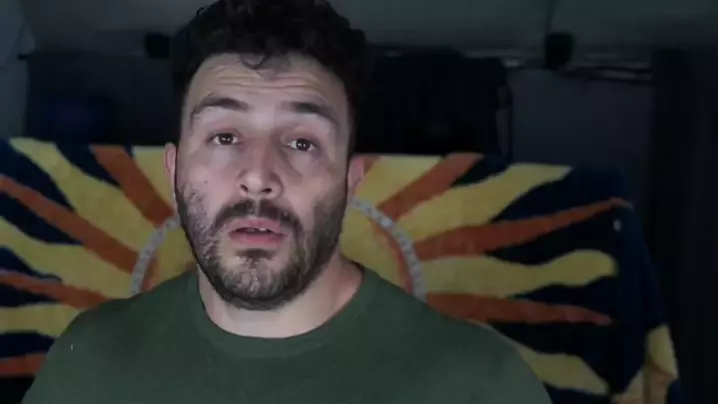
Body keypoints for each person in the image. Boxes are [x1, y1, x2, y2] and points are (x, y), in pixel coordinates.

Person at [22, 1, 552, 403]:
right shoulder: (88, 366)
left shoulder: (480, 385)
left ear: (350, 181)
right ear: (175, 169)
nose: (258, 176)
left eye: (301, 143)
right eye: (225, 136)